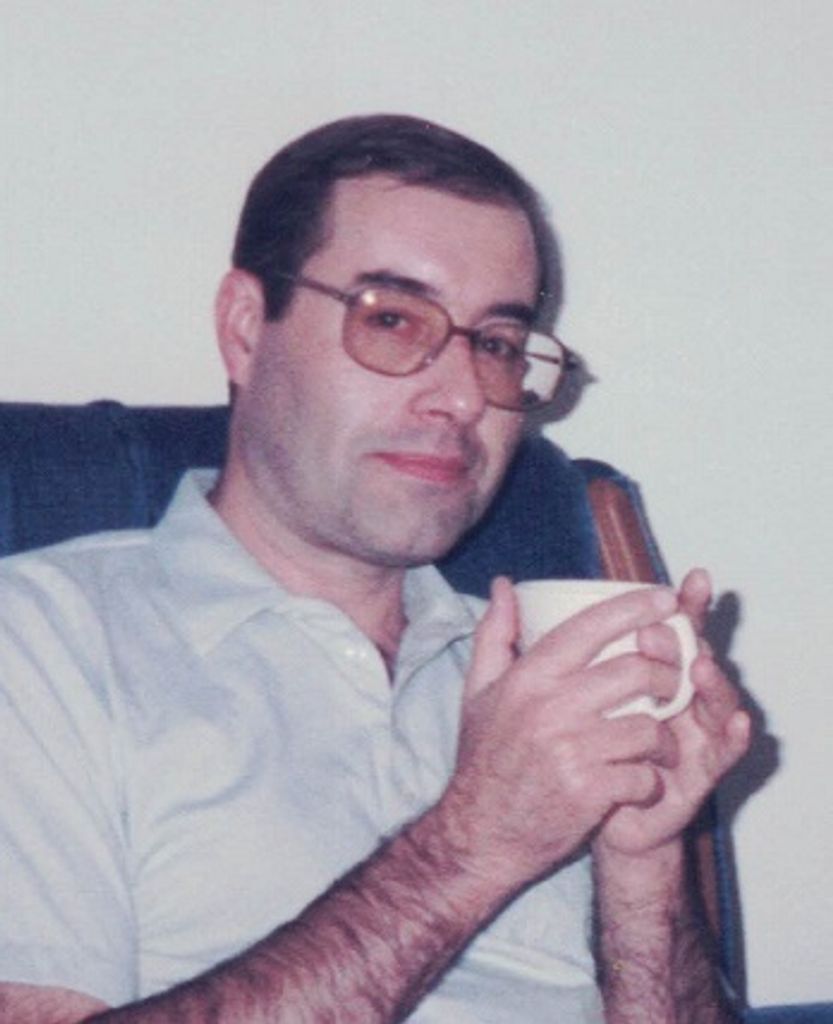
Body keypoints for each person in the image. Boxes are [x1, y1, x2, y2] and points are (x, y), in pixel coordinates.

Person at [0, 114, 750, 1023]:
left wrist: (643, 867)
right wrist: (472, 844)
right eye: (391, 320)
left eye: (496, 344)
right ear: (245, 329)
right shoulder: (42, 643)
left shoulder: (545, 675)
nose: (462, 397)